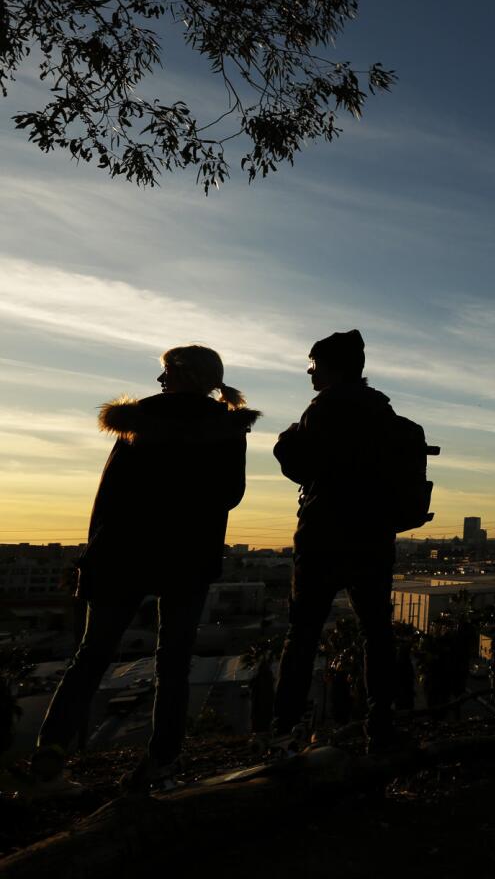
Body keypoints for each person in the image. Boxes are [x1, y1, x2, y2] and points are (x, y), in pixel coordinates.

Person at [30, 346, 258, 793]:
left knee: (92, 657)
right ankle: (162, 763)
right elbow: (230, 494)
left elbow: (109, 495)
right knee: (173, 663)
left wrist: (91, 558)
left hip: (123, 554)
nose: (159, 381)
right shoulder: (228, 425)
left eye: (165, 372)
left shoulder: (141, 419)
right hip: (188, 557)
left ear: (181, 375)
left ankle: (47, 764)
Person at [269, 330, 400, 752]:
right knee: (377, 632)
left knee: (303, 632)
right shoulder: (381, 408)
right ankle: (381, 723)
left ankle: (283, 730)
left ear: (333, 367)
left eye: (314, 364)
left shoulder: (323, 409)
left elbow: (302, 466)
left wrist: (287, 439)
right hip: (374, 534)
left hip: (324, 533)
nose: (309, 372)